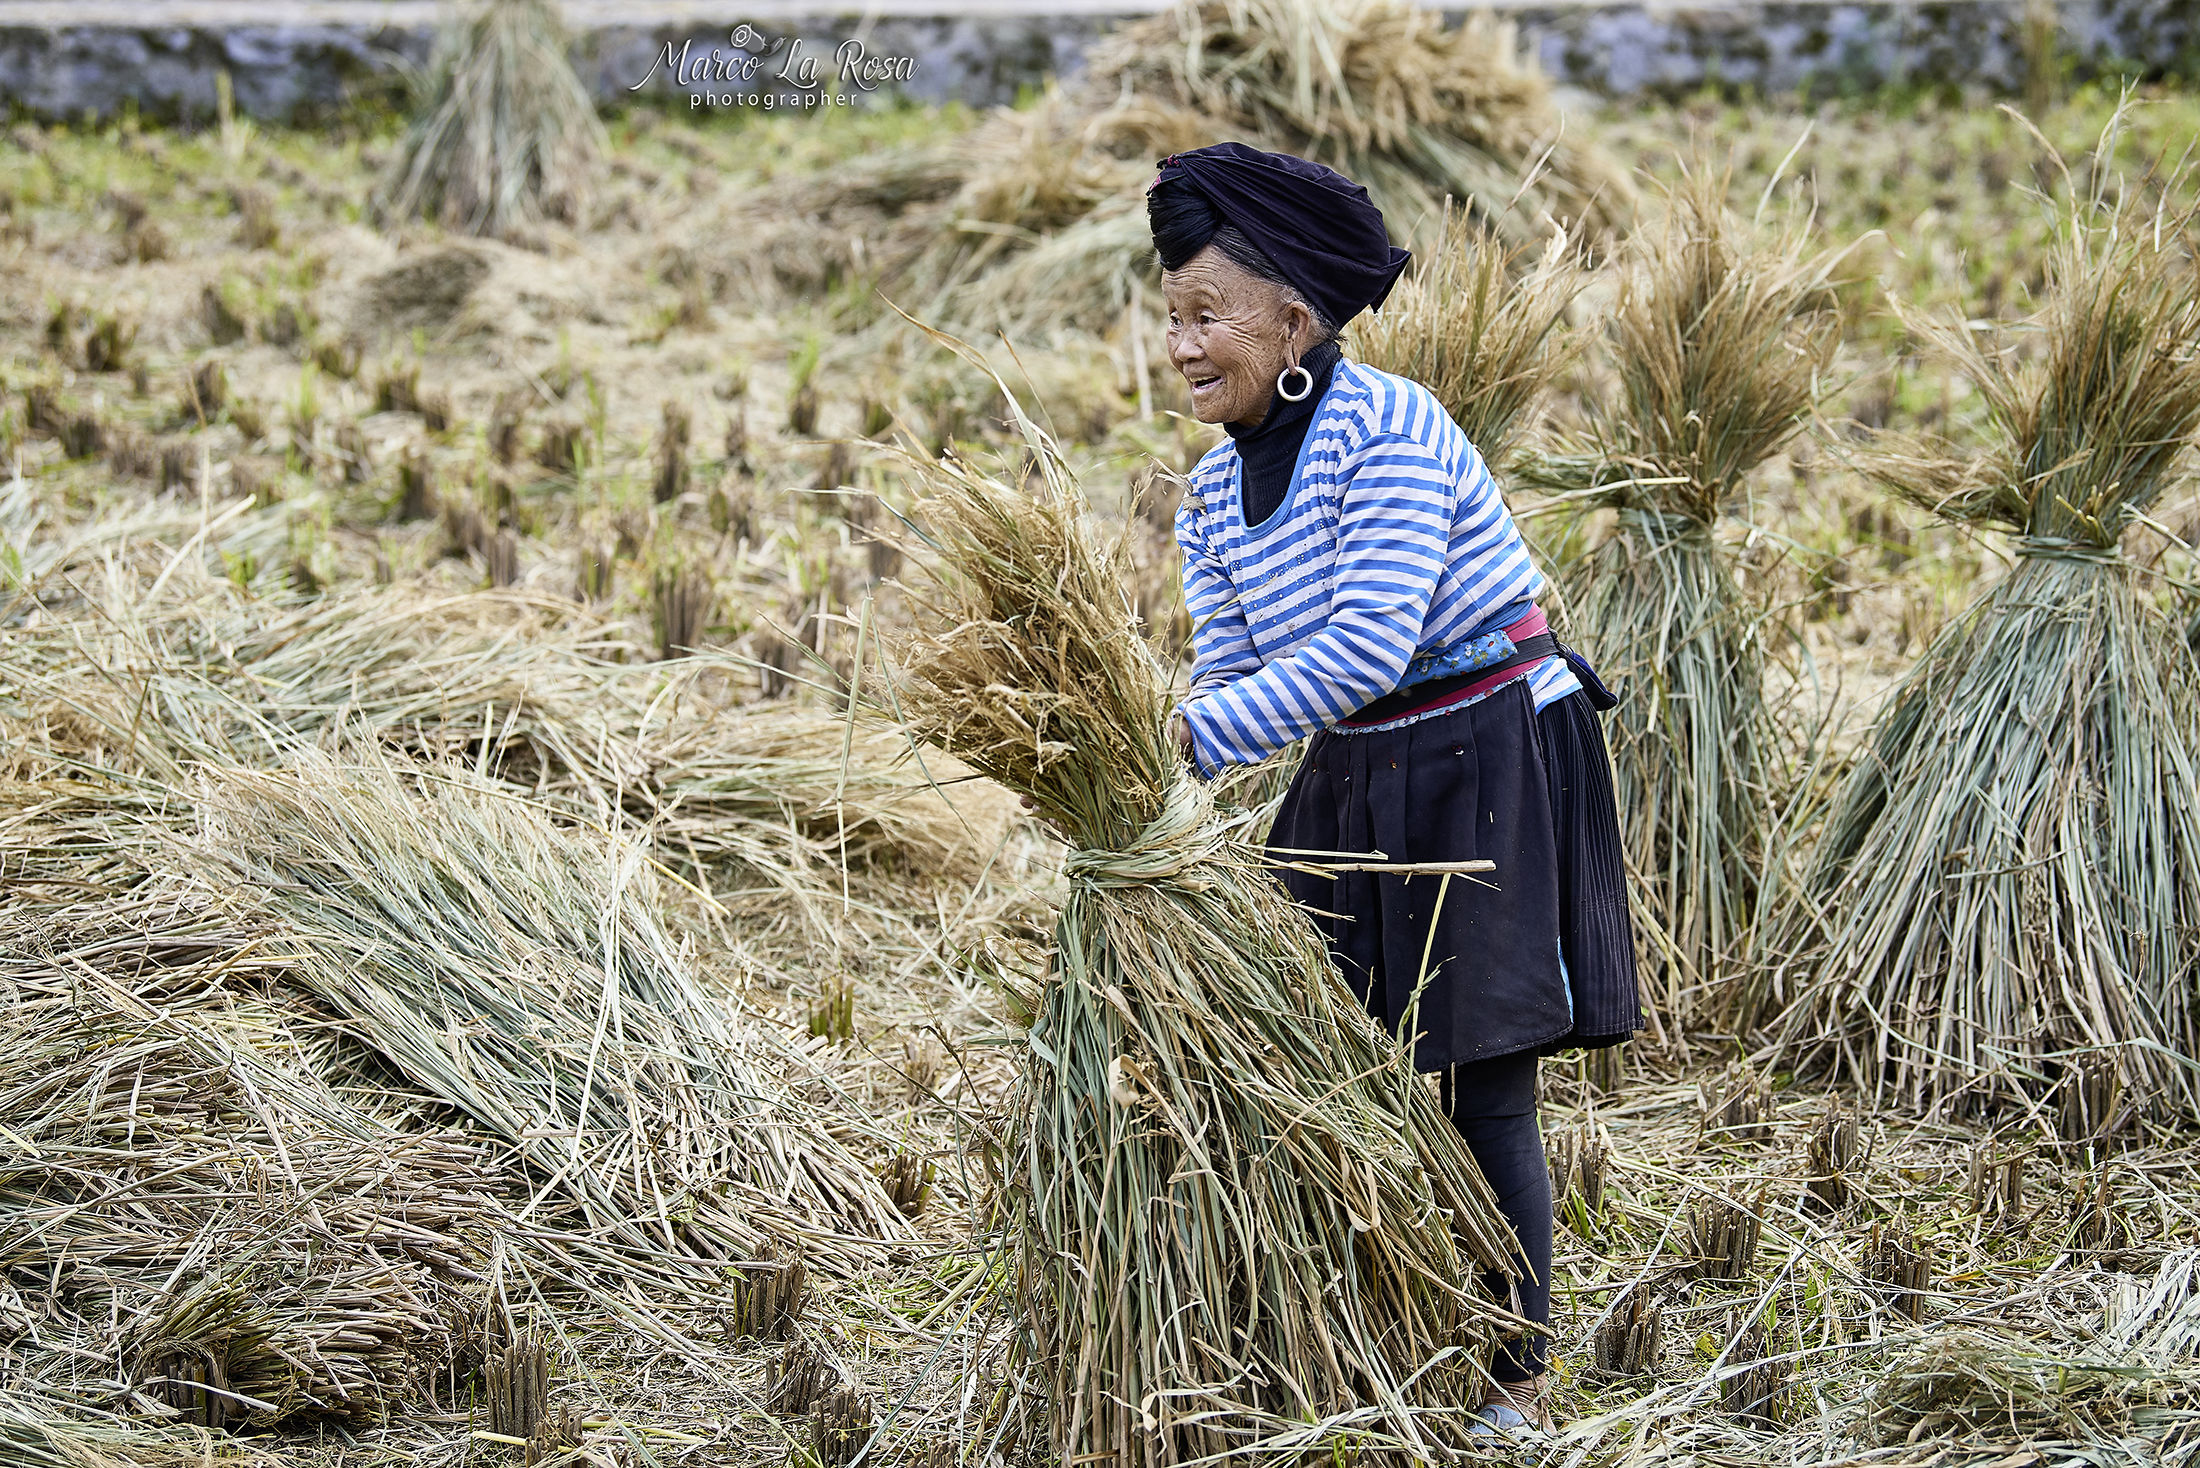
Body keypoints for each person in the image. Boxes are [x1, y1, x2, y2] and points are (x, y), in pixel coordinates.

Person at [1145, 141, 1641, 1440]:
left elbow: (1369, 644)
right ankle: (1374, 1319)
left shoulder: (1390, 427)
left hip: (1485, 745)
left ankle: (1516, 1371)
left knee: (1479, 1075)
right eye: (1170, 318)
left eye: (1206, 315)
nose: (1181, 346)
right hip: (1355, 761)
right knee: (1316, 1050)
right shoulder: (1211, 493)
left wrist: (1184, 742)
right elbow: (1232, 672)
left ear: (1292, 317)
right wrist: (1152, 789)